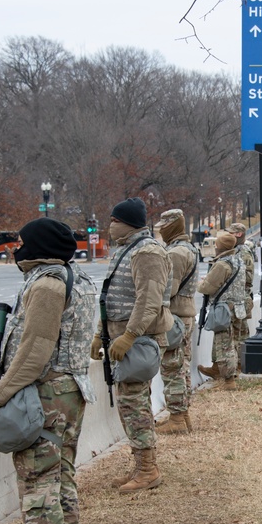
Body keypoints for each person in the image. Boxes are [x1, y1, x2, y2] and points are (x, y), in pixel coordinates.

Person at [0, 218, 97, 524]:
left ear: (40, 246)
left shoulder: (46, 284)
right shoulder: (74, 278)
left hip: (46, 395)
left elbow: (34, 352)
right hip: (70, 392)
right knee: (61, 478)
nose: (17, 249)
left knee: (39, 484)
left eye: (23, 243)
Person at [90, 197, 174, 493]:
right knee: (130, 402)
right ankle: (141, 464)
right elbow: (111, 299)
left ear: (127, 223)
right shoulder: (127, 249)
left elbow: (148, 300)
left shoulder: (147, 252)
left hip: (140, 339)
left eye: (114, 220)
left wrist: (129, 336)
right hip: (123, 338)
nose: (110, 226)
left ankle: (148, 469)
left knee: (133, 403)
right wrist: (101, 334)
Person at [155, 209, 199, 434]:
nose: (160, 228)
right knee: (182, 367)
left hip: (175, 317)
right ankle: (183, 414)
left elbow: (168, 290)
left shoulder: (175, 253)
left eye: (164, 224)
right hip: (186, 315)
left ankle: (177, 418)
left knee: (172, 368)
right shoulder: (189, 249)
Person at [196, 232, 245, 390]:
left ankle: (229, 380)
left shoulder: (222, 265)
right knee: (229, 342)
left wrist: (200, 283)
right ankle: (219, 370)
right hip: (236, 307)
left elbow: (207, 288)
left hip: (223, 309)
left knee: (224, 345)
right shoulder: (237, 260)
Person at [228, 222, 256, 370]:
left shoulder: (242, 252)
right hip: (241, 296)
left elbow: (246, 278)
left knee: (239, 334)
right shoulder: (239, 250)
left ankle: (240, 364)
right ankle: (243, 363)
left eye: (231, 233)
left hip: (241, 296)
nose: (228, 236)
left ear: (238, 234)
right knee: (242, 332)